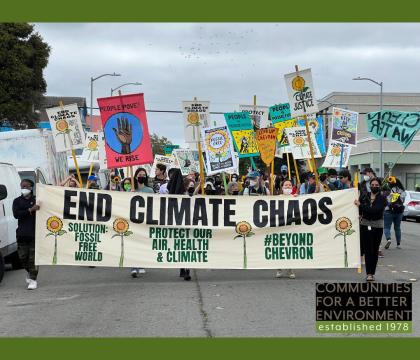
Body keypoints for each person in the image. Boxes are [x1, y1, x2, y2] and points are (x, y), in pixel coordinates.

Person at [354, 178, 387, 281]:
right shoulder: (365, 196)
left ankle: (372, 272)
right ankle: (369, 274)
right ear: (370, 185)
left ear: (380, 186)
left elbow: (375, 210)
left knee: (374, 250)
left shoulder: (382, 198)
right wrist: (360, 212)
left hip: (377, 226)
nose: (374, 186)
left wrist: (361, 206)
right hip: (365, 225)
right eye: (372, 184)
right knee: (368, 250)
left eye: (376, 185)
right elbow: (359, 208)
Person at [12, 179, 40, 290]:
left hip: (34, 233)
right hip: (22, 234)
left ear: (31, 187)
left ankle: (33, 280)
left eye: (25, 186)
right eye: (22, 186)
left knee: (33, 259)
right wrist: (30, 210)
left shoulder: (37, 200)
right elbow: (16, 214)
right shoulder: (17, 201)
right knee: (23, 258)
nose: (23, 188)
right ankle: (29, 272)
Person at [167, 168, 191, 281]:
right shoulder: (183, 191)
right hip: (185, 222)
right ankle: (185, 269)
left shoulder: (168, 190)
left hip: (178, 221)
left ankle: (183, 269)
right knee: (187, 247)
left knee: (181, 246)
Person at [276, 179, 297, 279]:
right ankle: (279, 269)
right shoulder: (278, 198)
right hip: (281, 226)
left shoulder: (296, 197)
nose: (288, 186)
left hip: (291, 226)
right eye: (286, 185)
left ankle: (290, 270)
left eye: (289, 185)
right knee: (280, 248)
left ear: (292, 187)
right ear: (282, 187)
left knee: (290, 248)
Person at [383, 176, 406, 250]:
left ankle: (389, 239)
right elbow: (403, 201)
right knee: (397, 228)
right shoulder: (402, 191)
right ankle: (398, 244)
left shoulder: (388, 190)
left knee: (387, 227)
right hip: (399, 211)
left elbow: (385, 200)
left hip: (388, 211)